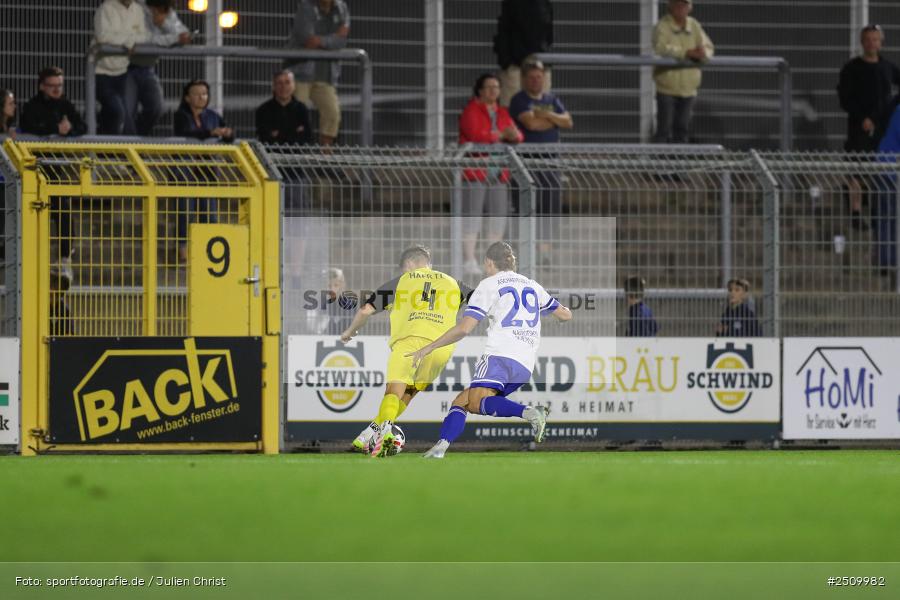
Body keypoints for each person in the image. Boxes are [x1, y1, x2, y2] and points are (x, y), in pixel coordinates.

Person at [409, 242, 571, 459]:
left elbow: (464, 328)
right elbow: (565, 315)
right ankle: (440, 447)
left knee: (475, 403)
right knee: (462, 401)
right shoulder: (532, 285)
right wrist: (560, 315)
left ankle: (530, 412)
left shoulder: (489, 285)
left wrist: (429, 347)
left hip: (499, 356)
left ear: (488, 262)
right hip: (524, 364)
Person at [339, 245, 474, 457]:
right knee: (409, 393)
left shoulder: (402, 281)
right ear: (428, 263)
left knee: (394, 391)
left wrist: (349, 331)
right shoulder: (454, 283)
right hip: (440, 348)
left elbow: (365, 310)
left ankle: (384, 432)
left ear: (409, 264)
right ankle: (370, 432)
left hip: (409, 343)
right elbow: (480, 303)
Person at [459, 73, 523, 279]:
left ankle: (492, 261)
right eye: (489, 87)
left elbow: (517, 135)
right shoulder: (471, 110)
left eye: (496, 87)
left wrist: (512, 135)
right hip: (476, 171)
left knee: (498, 218)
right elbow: (476, 134)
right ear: (480, 90)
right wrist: (501, 135)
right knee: (473, 216)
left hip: (498, 173)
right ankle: (469, 259)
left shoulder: (502, 112)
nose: (493, 91)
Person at [838, 25, 900, 229]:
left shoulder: (888, 68)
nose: (872, 43)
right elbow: (845, 98)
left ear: (881, 42)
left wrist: (884, 116)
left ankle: (876, 212)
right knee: (856, 168)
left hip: (881, 130)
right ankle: (855, 213)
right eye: (868, 39)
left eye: (875, 39)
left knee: (878, 169)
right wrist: (862, 117)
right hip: (859, 127)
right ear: (862, 42)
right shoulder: (852, 68)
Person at [508, 61, 571, 258]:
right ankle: (526, 250)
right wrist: (554, 121)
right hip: (526, 162)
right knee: (525, 204)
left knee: (549, 205)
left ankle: (545, 252)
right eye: (532, 77)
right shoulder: (519, 99)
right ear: (524, 80)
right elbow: (531, 124)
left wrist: (547, 114)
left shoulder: (552, 99)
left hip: (551, 162)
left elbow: (568, 121)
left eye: (539, 77)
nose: (536, 81)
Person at [286, 0, 350, 146]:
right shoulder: (306, 6)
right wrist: (331, 40)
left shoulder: (341, 7)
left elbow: (341, 41)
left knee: (332, 113)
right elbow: (306, 38)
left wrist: (320, 41)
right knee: (296, 116)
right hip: (301, 72)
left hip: (326, 75)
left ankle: (324, 158)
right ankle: (293, 154)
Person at [125, 0, 191, 136]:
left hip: (148, 67)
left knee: (156, 107)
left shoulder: (168, 12)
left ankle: (136, 142)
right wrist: (172, 39)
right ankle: (127, 147)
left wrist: (164, 24)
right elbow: (142, 40)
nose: (160, 12)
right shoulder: (137, 7)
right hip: (126, 66)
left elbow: (183, 34)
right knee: (127, 112)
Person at [652, 0, 714, 144]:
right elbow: (661, 48)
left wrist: (703, 54)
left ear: (690, 8)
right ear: (670, 6)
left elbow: (708, 47)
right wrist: (686, 53)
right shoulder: (662, 26)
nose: (680, 8)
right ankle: (658, 164)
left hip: (689, 89)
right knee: (664, 129)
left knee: (682, 128)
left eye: (684, 5)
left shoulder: (694, 25)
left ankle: (679, 165)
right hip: (667, 87)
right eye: (677, 4)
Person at [93, 0, 149, 135]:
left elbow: (144, 36)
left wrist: (124, 40)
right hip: (101, 72)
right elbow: (103, 36)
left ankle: (109, 151)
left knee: (121, 116)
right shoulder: (106, 8)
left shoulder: (138, 10)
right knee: (117, 111)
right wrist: (129, 41)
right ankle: (109, 151)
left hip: (122, 71)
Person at [493, 0, 553, 107]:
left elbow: (549, 33)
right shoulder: (513, 3)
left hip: (538, 61)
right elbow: (504, 30)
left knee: (541, 109)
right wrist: (507, 61)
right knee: (511, 107)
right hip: (516, 63)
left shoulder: (545, 4)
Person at [19, 66, 87, 137]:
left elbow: (83, 127)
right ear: (42, 86)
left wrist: (70, 127)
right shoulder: (31, 106)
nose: (57, 89)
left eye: (59, 85)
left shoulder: (66, 105)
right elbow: (27, 128)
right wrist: (56, 129)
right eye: (52, 85)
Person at [255, 70, 313, 145]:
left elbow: (308, 137)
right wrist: (294, 132)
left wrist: (277, 134)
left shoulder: (302, 109)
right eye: (279, 83)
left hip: (298, 155)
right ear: (273, 86)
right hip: (269, 155)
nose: (284, 87)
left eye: (287, 82)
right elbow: (263, 138)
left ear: (294, 86)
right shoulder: (263, 110)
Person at [319, 267, 355, 336]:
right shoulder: (323, 305)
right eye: (329, 286)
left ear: (343, 286)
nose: (332, 289)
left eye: (336, 285)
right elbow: (318, 328)